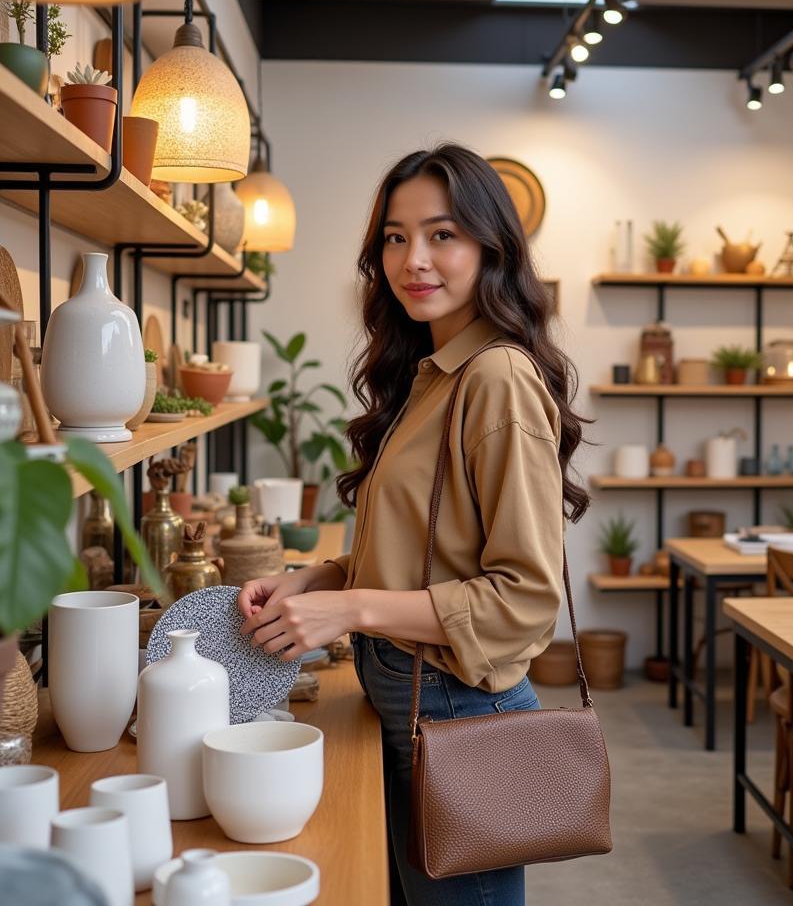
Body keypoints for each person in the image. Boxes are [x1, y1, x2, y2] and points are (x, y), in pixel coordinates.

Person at [238, 143, 589, 906]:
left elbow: (523, 599)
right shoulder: (430, 375)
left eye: (442, 235)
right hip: (410, 699)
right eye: (395, 237)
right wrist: (317, 579)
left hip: (463, 709)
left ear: (489, 248)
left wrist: (351, 609)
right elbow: (418, 552)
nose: (414, 260)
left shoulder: (495, 378)